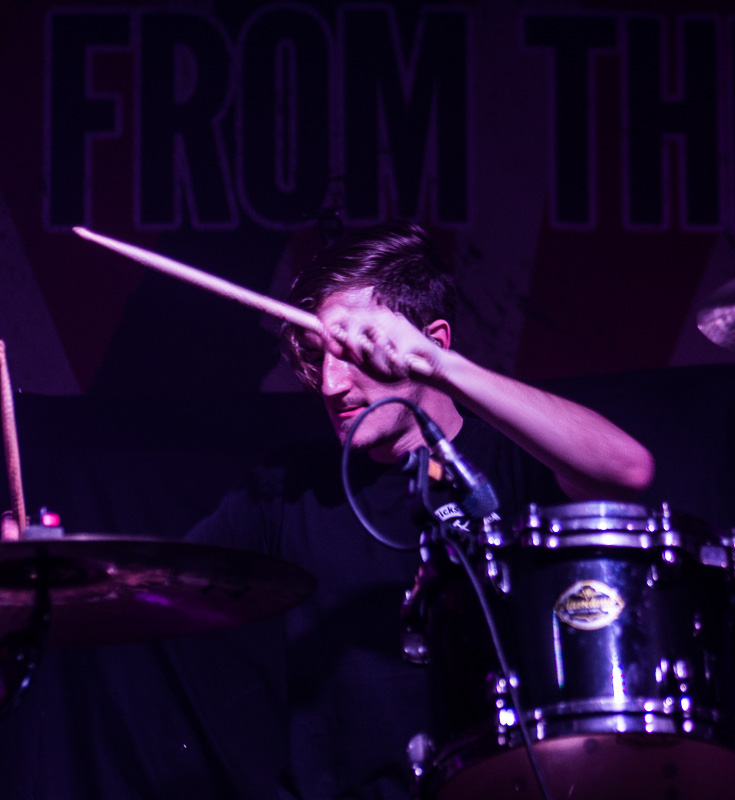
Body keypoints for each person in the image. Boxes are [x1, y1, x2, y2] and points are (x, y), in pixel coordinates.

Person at [185, 219, 655, 799]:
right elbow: (163, 584)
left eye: (352, 352)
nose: (330, 384)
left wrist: (441, 368)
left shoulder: (514, 463)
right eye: (316, 356)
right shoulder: (287, 491)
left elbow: (628, 470)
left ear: (433, 341)